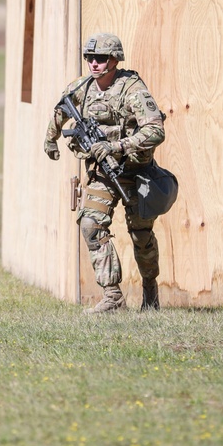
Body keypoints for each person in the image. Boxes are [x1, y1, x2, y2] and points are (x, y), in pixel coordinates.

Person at [44, 32, 166, 313]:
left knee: (141, 235)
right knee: (90, 224)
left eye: (100, 58)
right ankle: (113, 297)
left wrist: (116, 146)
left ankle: (150, 292)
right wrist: (50, 139)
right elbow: (60, 110)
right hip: (103, 174)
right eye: (89, 58)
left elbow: (155, 130)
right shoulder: (82, 88)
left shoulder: (132, 88)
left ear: (114, 60)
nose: (93, 64)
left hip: (136, 171)